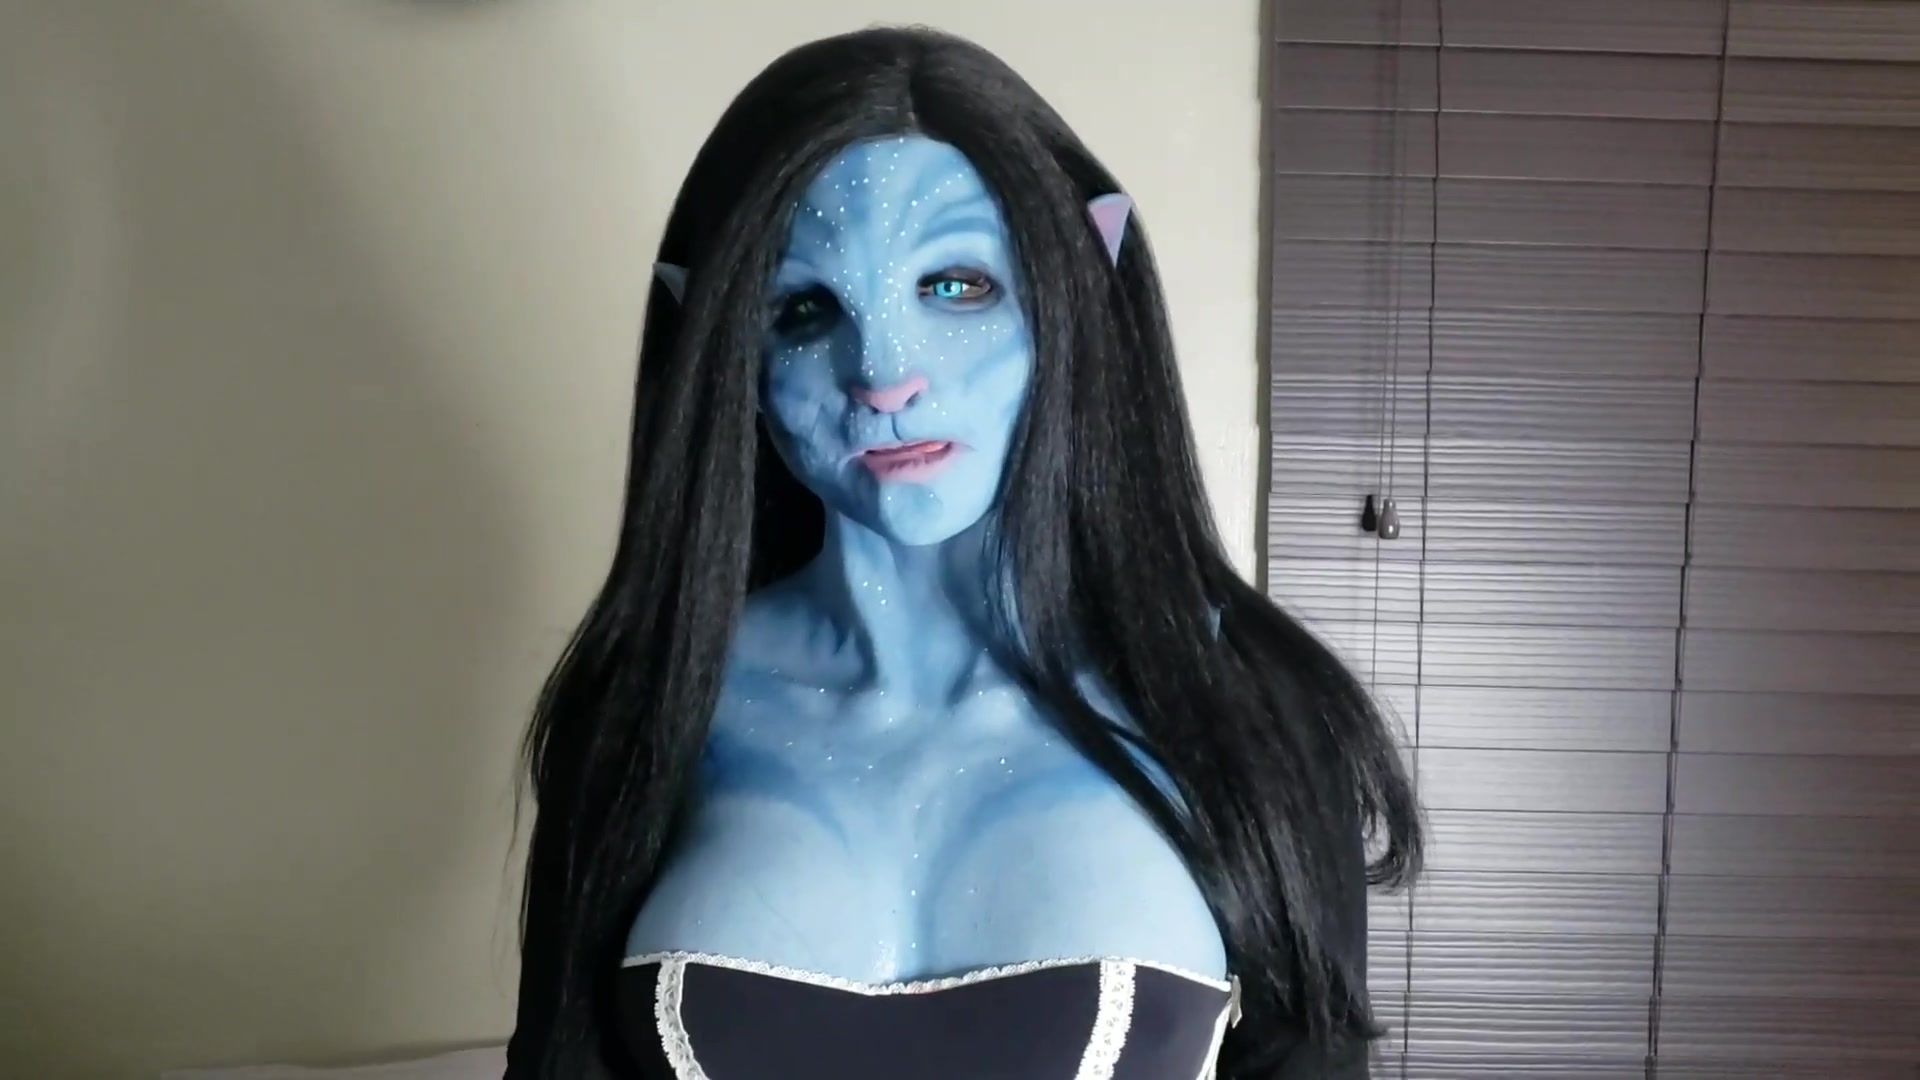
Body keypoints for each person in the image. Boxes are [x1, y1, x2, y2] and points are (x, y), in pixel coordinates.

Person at [507, 25, 1421, 1079]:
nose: (882, 373)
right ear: (716, 344)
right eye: (803, 309)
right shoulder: (651, 699)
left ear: (1082, 282)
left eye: (955, 286)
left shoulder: (1241, 704)